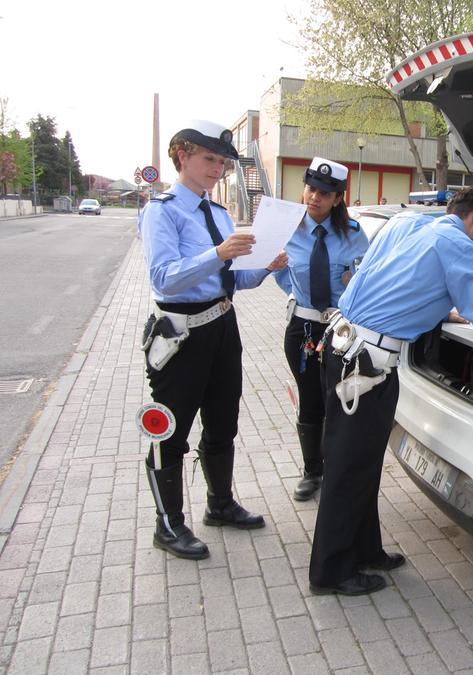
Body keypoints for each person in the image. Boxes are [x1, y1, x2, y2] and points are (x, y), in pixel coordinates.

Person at [308, 186, 473, 595]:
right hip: (366, 368)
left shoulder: (406, 224)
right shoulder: (460, 245)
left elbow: (400, 283)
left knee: (362, 464)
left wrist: (447, 310)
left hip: (342, 349)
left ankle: (365, 549)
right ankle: (331, 572)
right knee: (348, 468)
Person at [138, 120, 287, 560]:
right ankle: (168, 526)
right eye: (209, 160)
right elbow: (165, 279)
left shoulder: (218, 213)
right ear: (182, 155)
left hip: (223, 327)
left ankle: (219, 505)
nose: (218, 169)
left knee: (223, 422)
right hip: (182, 333)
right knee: (172, 432)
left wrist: (265, 266)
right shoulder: (162, 211)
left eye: (222, 162)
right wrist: (219, 253)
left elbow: (232, 280)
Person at [273, 158, 368, 501]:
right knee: (310, 402)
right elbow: (282, 274)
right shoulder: (289, 229)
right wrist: (301, 300)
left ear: (338, 198)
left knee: (340, 401)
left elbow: (364, 280)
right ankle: (312, 472)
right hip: (302, 328)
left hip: (341, 330)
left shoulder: (354, 236)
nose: (315, 197)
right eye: (312, 189)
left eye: (325, 193)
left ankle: (338, 471)